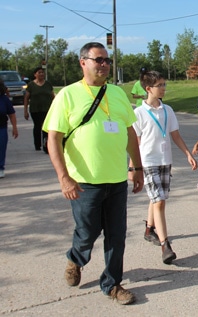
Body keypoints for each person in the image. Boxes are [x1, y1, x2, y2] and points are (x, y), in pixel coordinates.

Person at [42, 42, 143, 305]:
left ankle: (112, 284)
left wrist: (137, 167)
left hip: (117, 179)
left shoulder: (118, 93)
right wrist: (64, 178)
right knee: (87, 232)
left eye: (107, 60)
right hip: (84, 182)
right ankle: (76, 259)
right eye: (98, 60)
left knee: (116, 235)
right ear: (83, 62)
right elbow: (53, 138)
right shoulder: (68, 95)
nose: (104, 65)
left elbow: (130, 133)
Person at [132, 70, 197, 264]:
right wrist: (134, 167)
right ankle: (165, 245)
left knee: (157, 198)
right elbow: (135, 142)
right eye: (159, 85)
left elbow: (175, 135)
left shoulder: (167, 110)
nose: (163, 88)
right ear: (148, 88)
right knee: (159, 201)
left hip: (165, 160)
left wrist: (187, 154)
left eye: (164, 84)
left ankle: (149, 229)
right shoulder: (139, 113)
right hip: (148, 162)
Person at [24, 67, 54, 153]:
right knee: (37, 126)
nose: (41, 74)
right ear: (35, 74)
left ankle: (46, 145)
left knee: (46, 128)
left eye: (42, 73)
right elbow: (26, 98)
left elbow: (53, 96)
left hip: (47, 109)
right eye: (39, 72)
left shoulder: (48, 84)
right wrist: (25, 111)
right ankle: (37, 144)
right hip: (35, 110)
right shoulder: (31, 85)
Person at [0, 80, 18, 178]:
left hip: (1, 127)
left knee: (1, 148)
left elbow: (11, 114)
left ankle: (1, 168)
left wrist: (14, 128)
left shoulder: (4, 99)